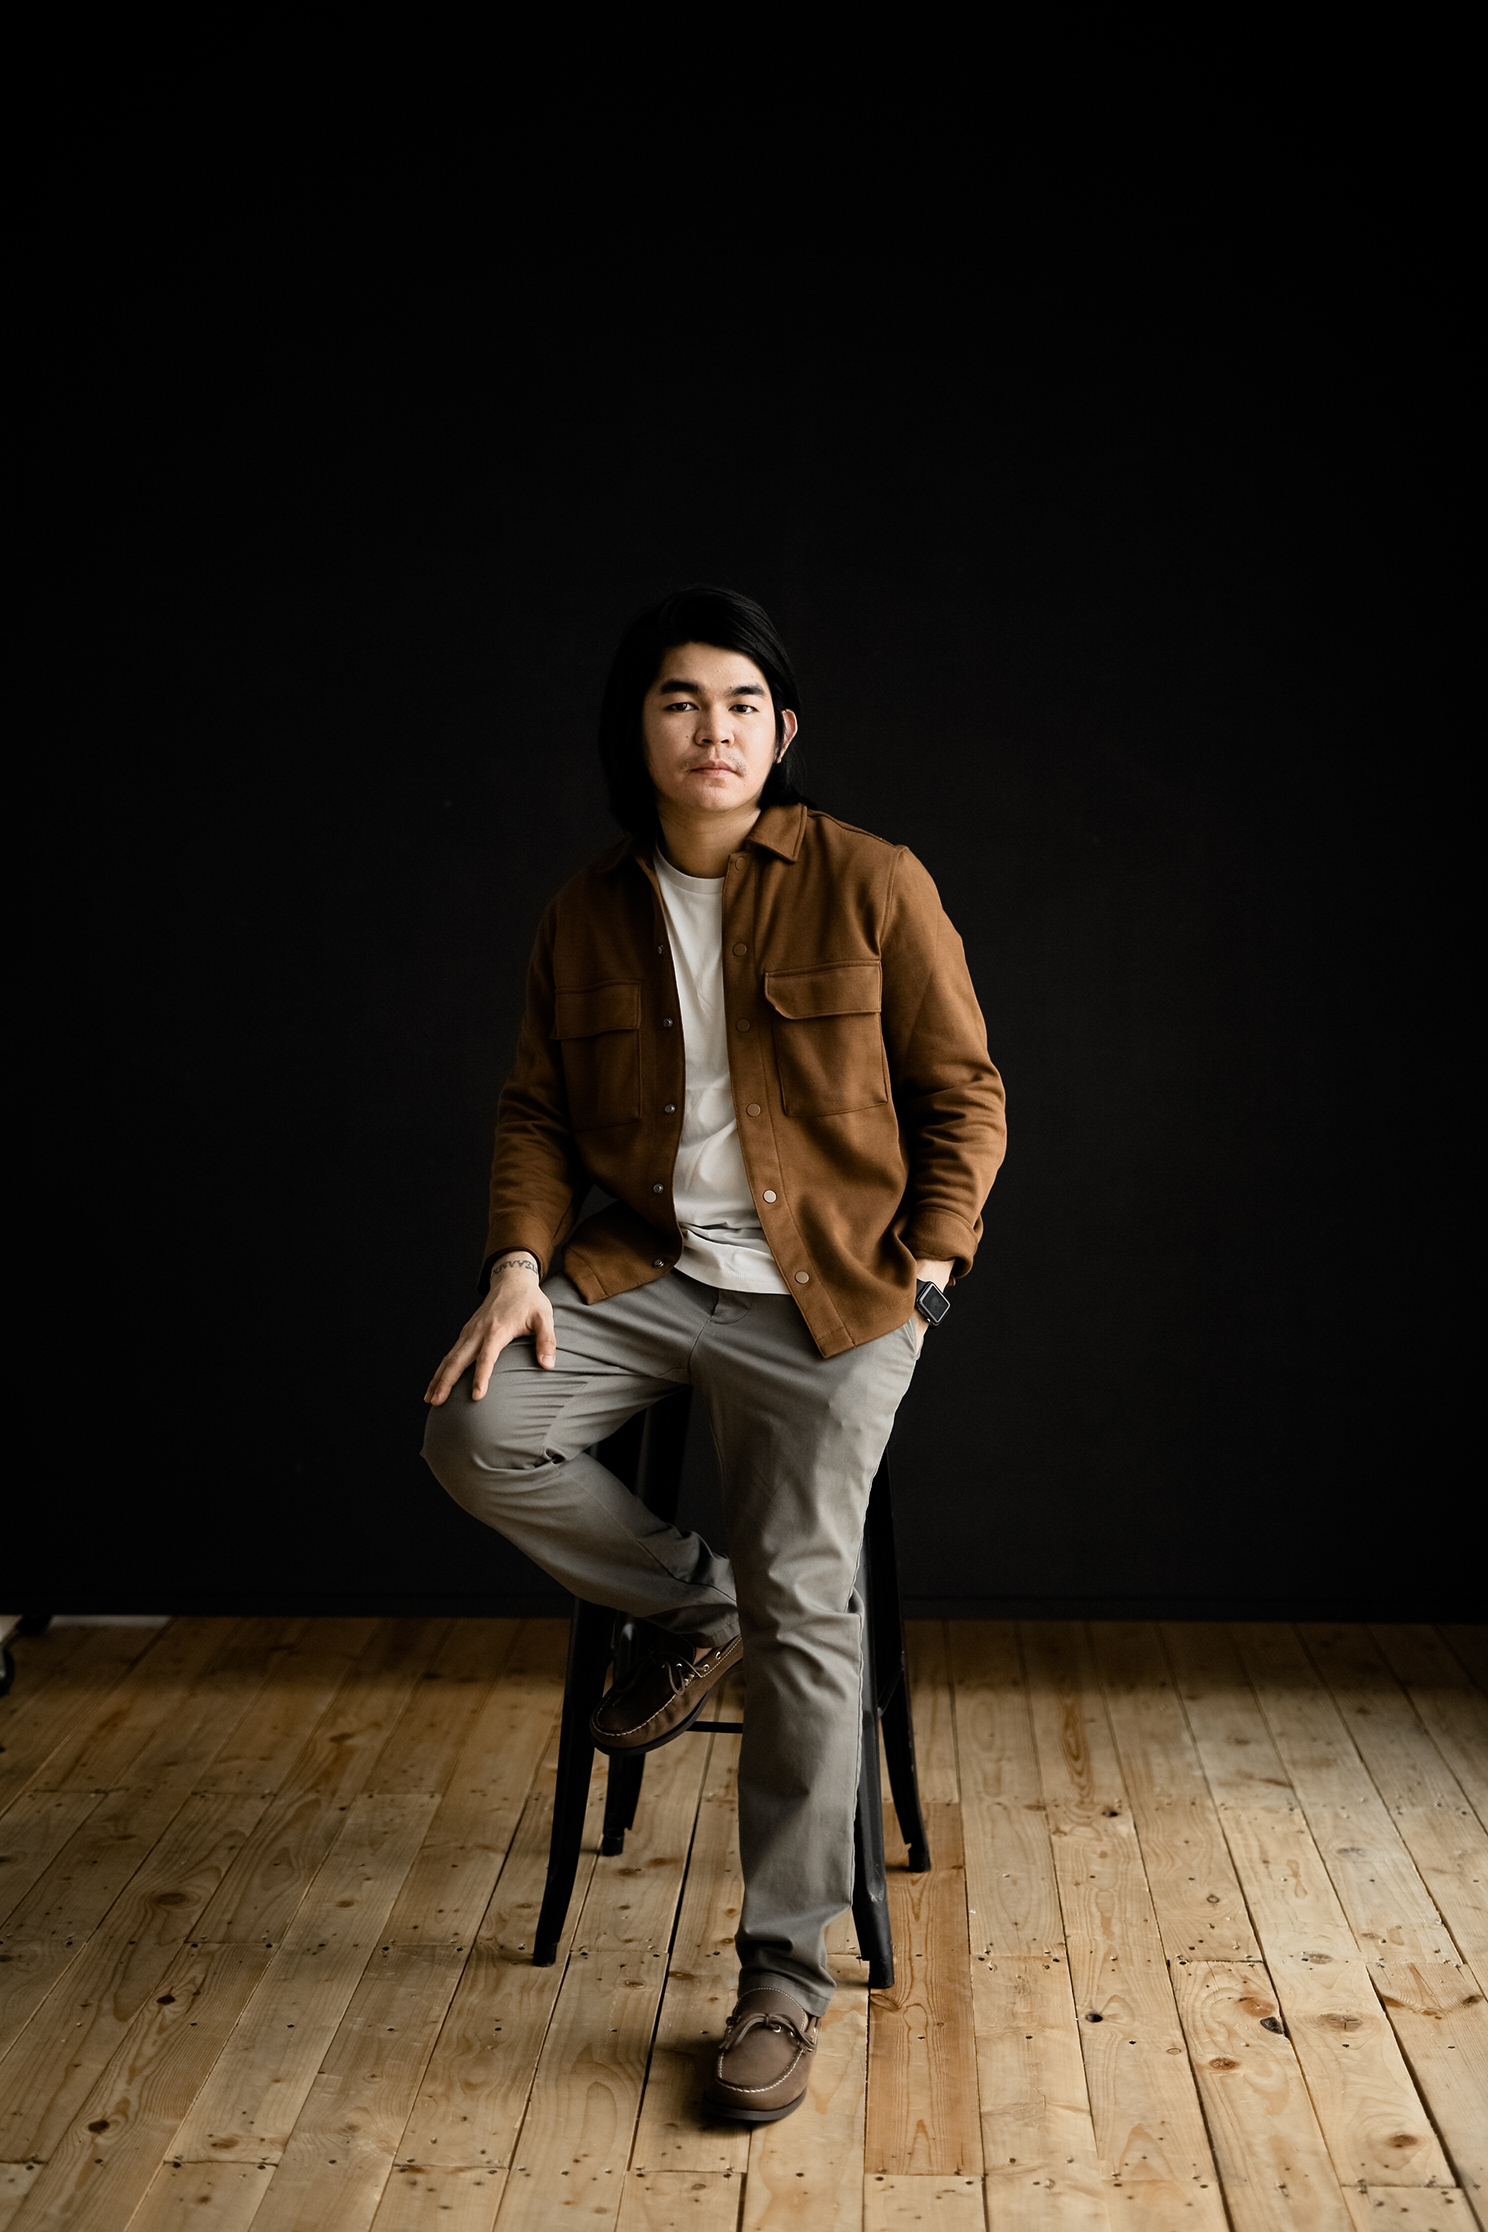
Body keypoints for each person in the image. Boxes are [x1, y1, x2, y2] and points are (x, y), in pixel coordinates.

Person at [422, 585, 1005, 2122]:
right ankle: (698, 1598)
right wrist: (517, 1265)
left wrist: (930, 1269)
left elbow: (966, 1092)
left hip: (838, 1293)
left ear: (784, 730)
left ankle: (781, 1983)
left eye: (744, 703)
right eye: (681, 701)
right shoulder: (583, 914)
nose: (714, 729)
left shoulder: (872, 881)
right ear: (639, 730)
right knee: (475, 1431)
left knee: (813, 1601)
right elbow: (536, 1113)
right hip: (654, 1271)